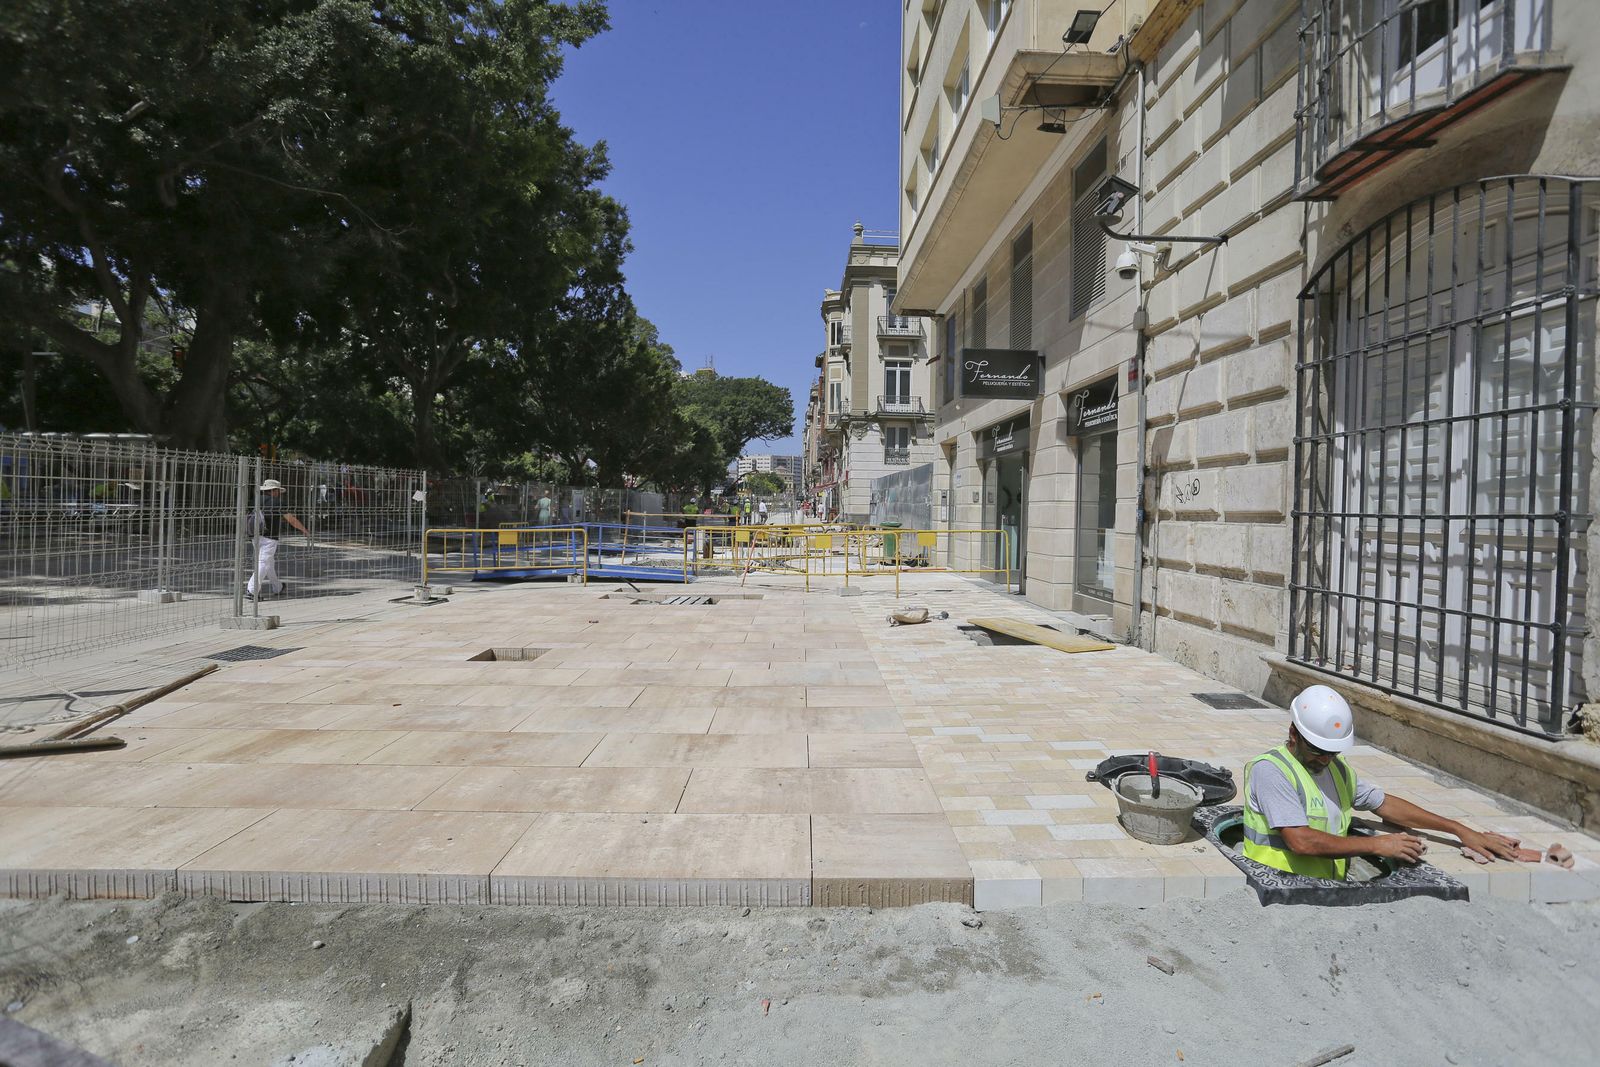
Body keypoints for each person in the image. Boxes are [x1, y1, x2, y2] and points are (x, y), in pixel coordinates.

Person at [1241, 685, 1521, 879]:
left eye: (1332, 752)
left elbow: (1384, 804)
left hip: (1322, 889)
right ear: (1293, 733)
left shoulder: (1337, 770)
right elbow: (1301, 842)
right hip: (1277, 890)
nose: (1325, 760)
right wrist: (1376, 845)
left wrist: (1458, 829)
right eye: (1318, 751)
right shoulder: (1271, 771)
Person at [247, 479, 309, 599]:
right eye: (278, 491)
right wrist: (304, 530)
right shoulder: (278, 502)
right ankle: (252, 590)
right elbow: (291, 519)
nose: (279, 493)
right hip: (270, 537)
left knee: (269, 563)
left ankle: (278, 587)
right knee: (263, 563)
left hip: (254, 535)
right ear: (274, 491)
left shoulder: (255, 500)